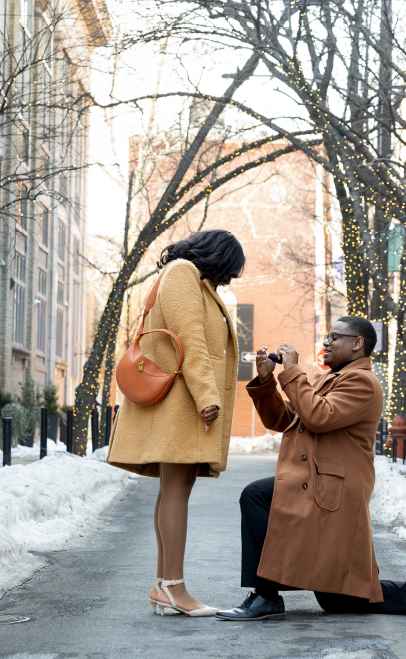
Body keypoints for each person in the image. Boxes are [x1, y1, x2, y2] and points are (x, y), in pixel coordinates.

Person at [216, 315, 406, 621]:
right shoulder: (326, 379)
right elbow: (285, 420)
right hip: (319, 482)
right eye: (326, 337)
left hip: (335, 490)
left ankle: (266, 596)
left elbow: (318, 416)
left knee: (257, 495)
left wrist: (292, 371)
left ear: (357, 344)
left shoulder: (363, 383)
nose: (326, 342)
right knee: (336, 597)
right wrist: (265, 382)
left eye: (333, 337)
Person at [106, 230, 245, 617]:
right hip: (182, 405)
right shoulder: (183, 273)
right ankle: (174, 587)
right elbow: (191, 340)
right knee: (176, 493)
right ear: (217, 258)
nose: (229, 279)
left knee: (172, 492)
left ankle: (163, 585)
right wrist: (207, 396)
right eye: (229, 270)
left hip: (180, 404)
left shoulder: (184, 276)